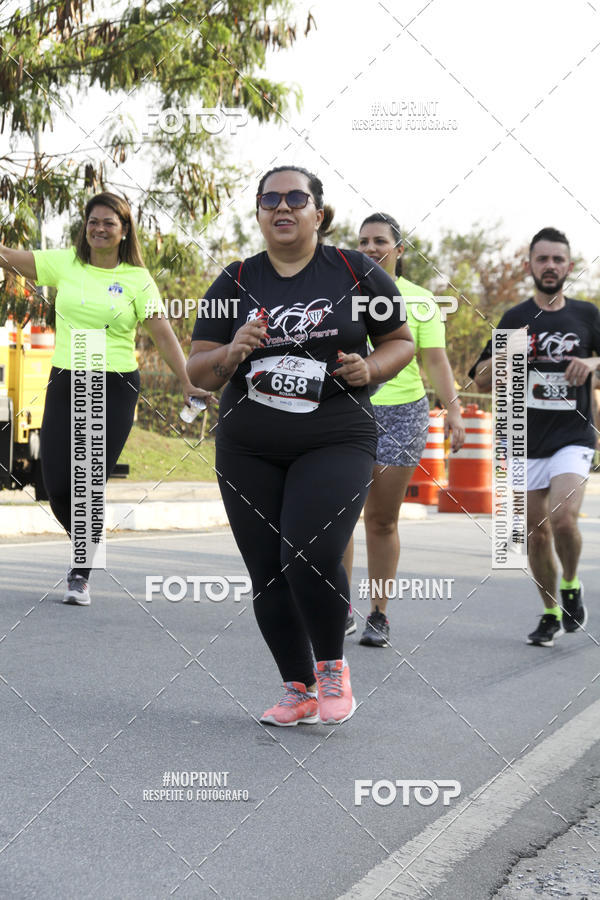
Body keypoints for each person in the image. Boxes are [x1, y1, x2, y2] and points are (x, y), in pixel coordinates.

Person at [187, 166, 414, 725]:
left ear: (318, 211)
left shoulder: (354, 270)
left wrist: (371, 367)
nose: (282, 207)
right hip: (248, 446)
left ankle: (333, 666)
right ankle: (298, 687)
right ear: (259, 212)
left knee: (307, 552)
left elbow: (401, 342)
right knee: (266, 569)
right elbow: (198, 370)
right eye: (270, 199)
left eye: (296, 198)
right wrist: (231, 352)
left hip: (335, 436)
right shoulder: (234, 279)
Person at [0, 192, 211, 605]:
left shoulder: (137, 279)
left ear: (124, 230)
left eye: (108, 223)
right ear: (86, 227)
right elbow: (9, 258)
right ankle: (88, 542)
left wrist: (187, 379)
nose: (99, 228)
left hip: (114, 384)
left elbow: (162, 334)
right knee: (57, 484)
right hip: (66, 379)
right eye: (93, 221)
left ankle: (80, 572)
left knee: (88, 479)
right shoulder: (65, 264)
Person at [471, 227, 600, 646]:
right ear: (530, 265)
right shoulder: (515, 318)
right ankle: (549, 611)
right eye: (542, 259)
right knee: (536, 532)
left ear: (569, 266)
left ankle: (571, 584)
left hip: (574, 435)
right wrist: (509, 356)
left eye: (557, 259)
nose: (550, 266)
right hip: (524, 439)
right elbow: (481, 379)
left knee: (563, 519)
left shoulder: (587, 315)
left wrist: (591, 361)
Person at [342, 213, 465, 645]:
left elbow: (435, 360)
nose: (371, 248)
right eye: (363, 241)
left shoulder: (421, 300)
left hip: (402, 415)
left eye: (380, 240)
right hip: (346, 412)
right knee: (339, 515)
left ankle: (379, 613)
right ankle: (341, 608)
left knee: (380, 520)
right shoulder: (342, 294)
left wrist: (453, 410)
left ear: (400, 250)